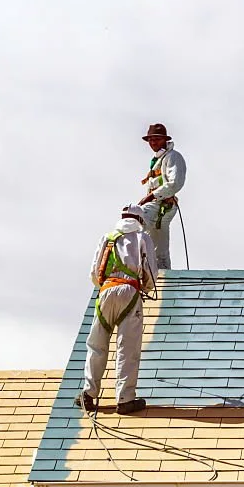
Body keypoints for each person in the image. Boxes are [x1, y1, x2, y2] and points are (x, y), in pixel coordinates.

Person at [76, 204, 158, 415]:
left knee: (97, 344)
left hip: (106, 291)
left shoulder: (108, 237)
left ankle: (88, 394)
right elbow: (150, 272)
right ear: (139, 221)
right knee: (127, 348)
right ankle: (125, 399)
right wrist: (146, 287)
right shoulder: (142, 238)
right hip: (129, 293)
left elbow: (95, 273)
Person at [137, 123, 187, 270]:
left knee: (134, 220)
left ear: (165, 139)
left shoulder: (173, 157)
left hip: (161, 204)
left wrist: (151, 197)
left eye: (157, 139)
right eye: (151, 140)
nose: (153, 143)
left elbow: (175, 183)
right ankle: (162, 273)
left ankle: (128, 264)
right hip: (158, 204)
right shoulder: (159, 159)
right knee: (158, 246)